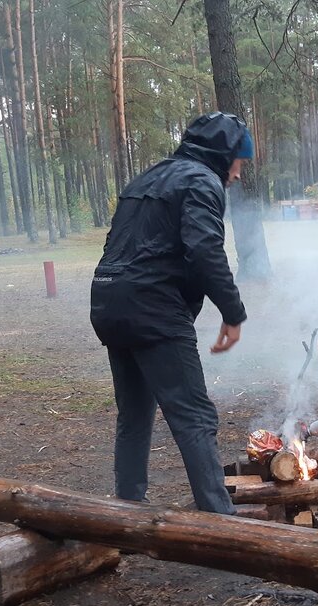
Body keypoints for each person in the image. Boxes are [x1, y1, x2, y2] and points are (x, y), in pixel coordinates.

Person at [89, 112, 253, 514]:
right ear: (224, 154)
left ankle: (127, 511)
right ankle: (222, 524)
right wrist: (233, 312)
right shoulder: (201, 181)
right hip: (153, 308)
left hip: (109, 301)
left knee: (134, 415)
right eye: (239, 161)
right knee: (195, 416)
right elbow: (204, 250)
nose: (238, 174)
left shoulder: (147, 177)